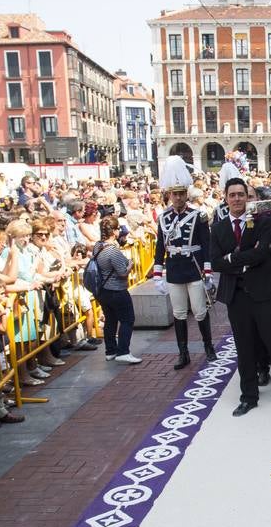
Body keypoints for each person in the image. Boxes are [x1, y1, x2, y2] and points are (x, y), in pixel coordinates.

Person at [212, 178, 271, 416]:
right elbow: (216, 262)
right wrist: (240, 259)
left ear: (248, 197)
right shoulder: (217, 228)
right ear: (226, 197)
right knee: (245, 347)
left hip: (264, 293)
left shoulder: (263, 222)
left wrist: (232, 258)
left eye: (242, 194)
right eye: (233, 195)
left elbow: (262, 254)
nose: (238, 199)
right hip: (237, 297)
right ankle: (249, 396)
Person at [152, 157, 217, 369]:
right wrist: (157, 274)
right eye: (174, 194)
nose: (178, 197)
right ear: (169, 195)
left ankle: (208, 347)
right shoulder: (163, 218)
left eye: (181, 194)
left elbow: (205, 245)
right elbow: (160, 247)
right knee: (179, 313)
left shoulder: (198, 216)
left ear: (186, 194)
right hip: (174, 270)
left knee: (199, 311)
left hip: (194, 268)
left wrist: (208, 272)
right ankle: (183, 353)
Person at [92, 215, 142, 365]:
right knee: (127, 319)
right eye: (118, 229)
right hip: (117, 290)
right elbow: (123, 272)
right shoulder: (112, 251)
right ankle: (123, 351)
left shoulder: (97, 246)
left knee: (110, 320)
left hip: (103, 291)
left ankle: (110, 351)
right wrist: (131, 264)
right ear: (114, 231)